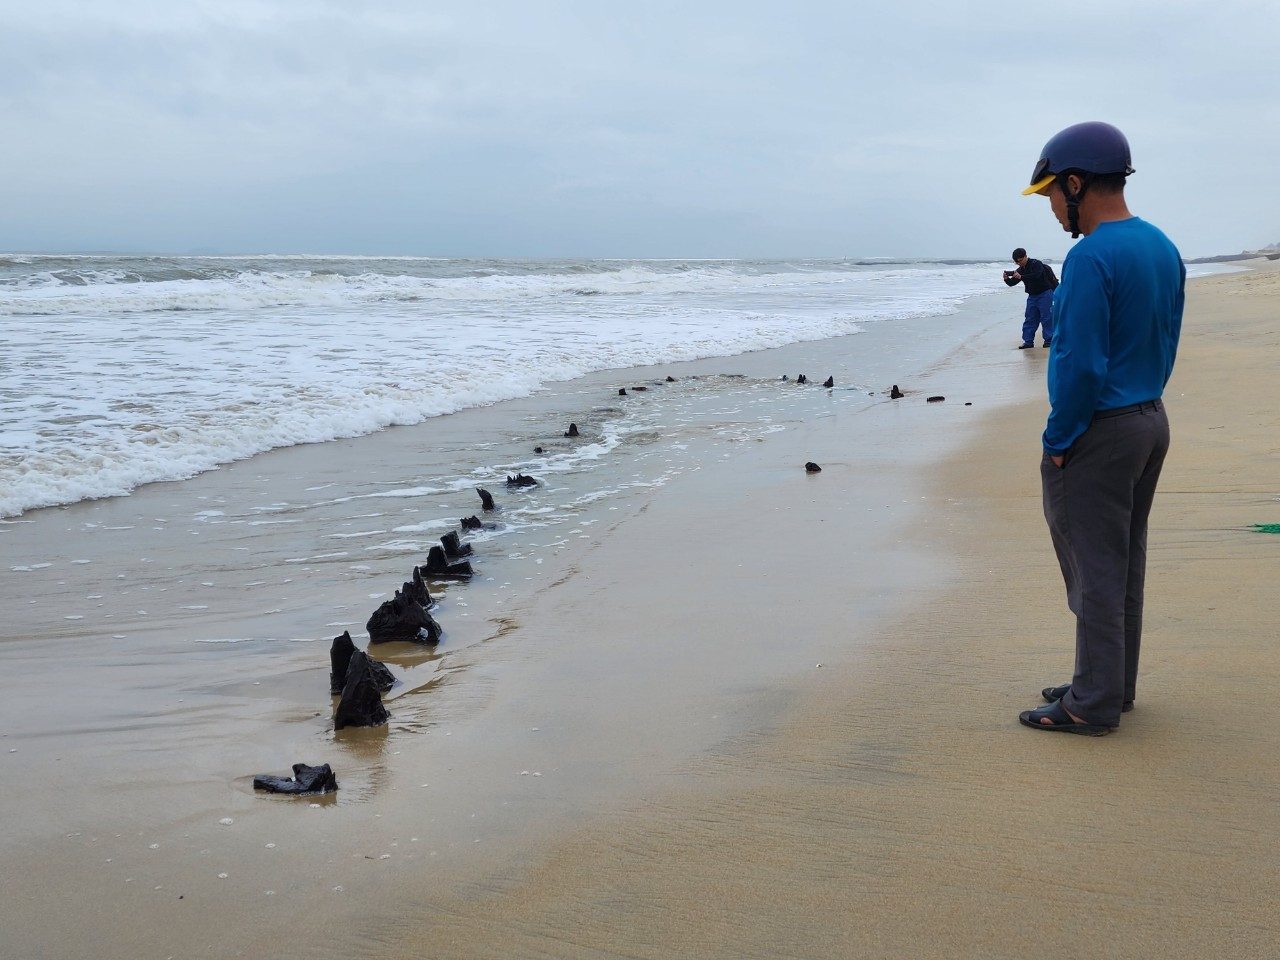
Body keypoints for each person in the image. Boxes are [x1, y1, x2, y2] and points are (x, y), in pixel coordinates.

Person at [1015, 121, 1186, 736]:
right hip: (1150, 420)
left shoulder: (1089, 256)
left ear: (1076, 183)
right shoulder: (1162, 246)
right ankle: (1110, 685)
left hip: (1101, 431)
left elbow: (1080, 362)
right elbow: (1164, 340)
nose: (1054, 208)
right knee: (1124, 562)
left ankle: (1090, 704)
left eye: (1053, 195)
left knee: (1094, 570)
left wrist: (1059, 439)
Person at [1002, 248, 1055, 348]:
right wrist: (1006, 279)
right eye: (1016, 262)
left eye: (1020, 260)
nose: (1019, 263)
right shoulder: (1021, 269)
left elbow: (1036, 275)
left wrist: (1021, 277)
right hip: (1032, 296)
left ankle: (1049, 340)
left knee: (1047, 318)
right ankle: (1028, 341)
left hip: (1045, 294)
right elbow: (1012, 283)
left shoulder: (1036, 263)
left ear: (1026, 256)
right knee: (1030, 319)